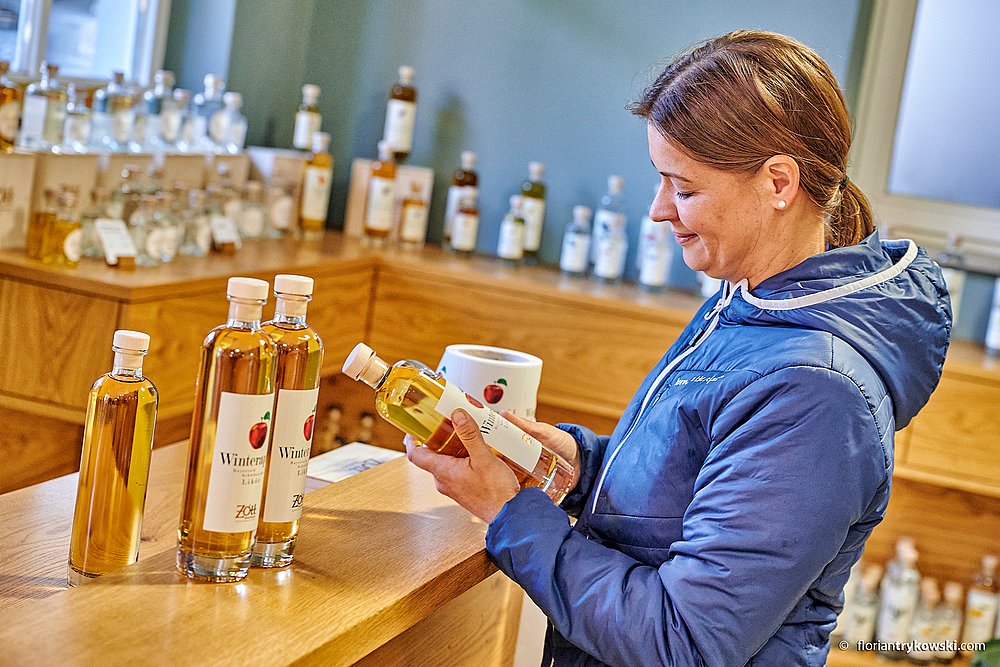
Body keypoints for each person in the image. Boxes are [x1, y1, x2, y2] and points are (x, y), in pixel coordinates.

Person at [405, 30, 951, 666]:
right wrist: (577, 465)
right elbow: (701, 481)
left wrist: (512, 514)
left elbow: (681, 641)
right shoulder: (749, 300)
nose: (661, 209)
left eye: (684, 188)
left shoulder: (817, 393)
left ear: (779, 183)